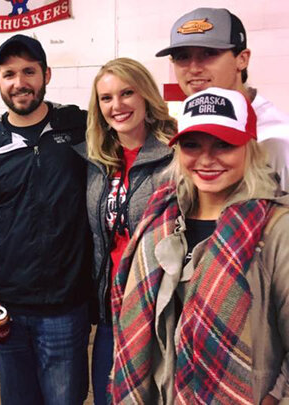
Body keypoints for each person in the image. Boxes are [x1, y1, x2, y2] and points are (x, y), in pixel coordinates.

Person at [111, 87, 289, 404]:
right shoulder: (159, 219)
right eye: (192, 145)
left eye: (224, 144)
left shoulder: (275, 228)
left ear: (250, 148)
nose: (206, 159)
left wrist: (276, 396)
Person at [0, 34, 92, 405]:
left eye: (29, 72)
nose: (20, 83)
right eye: (9, 74)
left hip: (66, 308)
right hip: (9, 309)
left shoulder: (78, 127)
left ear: (46, 74)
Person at [79, 57, 176, 404]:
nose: (116, 106)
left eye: (126, 93)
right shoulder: (97, 160)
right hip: (110, 310)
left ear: (145, 95)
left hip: (157, 313)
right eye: (106, 98)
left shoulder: (174, 155)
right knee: (108, 396)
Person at [157, 7, 289, 189]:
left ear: (242, 59)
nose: (193, 68)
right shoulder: (185, 124)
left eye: (209, 53)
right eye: (183, 56)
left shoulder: (278, 138)